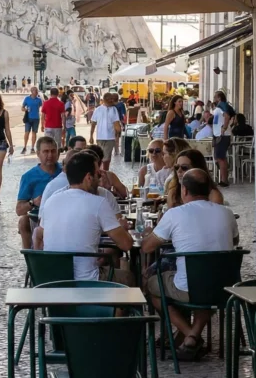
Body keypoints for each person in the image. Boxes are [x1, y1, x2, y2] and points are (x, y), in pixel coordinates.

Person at [141, 169, 239, 361]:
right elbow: (235, 241)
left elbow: (147, 247)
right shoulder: (227, 214)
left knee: (151, 285)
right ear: (209, 190)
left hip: (189, 288)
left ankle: (189, 334)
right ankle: (193, 335)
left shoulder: (175, 214)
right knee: (207, 284)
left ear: (184, 190)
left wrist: (148, 233)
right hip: (224, 287)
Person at [36, 152, 134, 285]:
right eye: (98, 174)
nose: (100, 179)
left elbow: (40, 234)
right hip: (87, 281)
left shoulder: (51, 201)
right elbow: (126, 244)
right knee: (129, 277)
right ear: (88, 177)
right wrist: (124, 228)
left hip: (53, 280)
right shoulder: (99, 203)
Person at [15, 137, 62, 248]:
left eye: (53, 151)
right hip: (39, 220)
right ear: (38, 154)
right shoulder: (29, 177)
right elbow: (19, 210)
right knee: (23, 221)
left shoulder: (65, 172)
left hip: (63, 217)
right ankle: (30, 255)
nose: (50, 155)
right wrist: (33, 202)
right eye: (46, 151)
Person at [89, 93, 121, 171]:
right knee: (100, 156)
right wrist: (91, 136)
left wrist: (118, 134)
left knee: (106, 157)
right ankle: (100, 172)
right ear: (105, 100)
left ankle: (105, 172)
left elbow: (116, 123)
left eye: (112, 99)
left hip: (110, 138)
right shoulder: (98, 109)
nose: (112, 100)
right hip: (100, 137)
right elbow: (93, 123)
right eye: (110, 99)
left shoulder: (113, 109)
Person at [211, 91, 233, 187]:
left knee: (221, 158)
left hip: (222, 135)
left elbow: (227, 116)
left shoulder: (222, 105)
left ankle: (224, 180)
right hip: (218, 134)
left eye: (215, 97)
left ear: (219, 97)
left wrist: (224, 127)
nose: (214, 98)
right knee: (220, 157)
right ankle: (223, 179)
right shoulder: (220, 107)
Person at [20, 87, 43, 155]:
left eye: (37, 91)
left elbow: (41, 106)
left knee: (34, 133)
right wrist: (26, 109)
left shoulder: (39, 99)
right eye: (35, 91)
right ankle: (24, 147)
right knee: (27, 132)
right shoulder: (27, 98)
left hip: (36, 118)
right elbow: (22, 108)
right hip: (28, 118)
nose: (37, 92)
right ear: (32, 91)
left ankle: (32, 147)